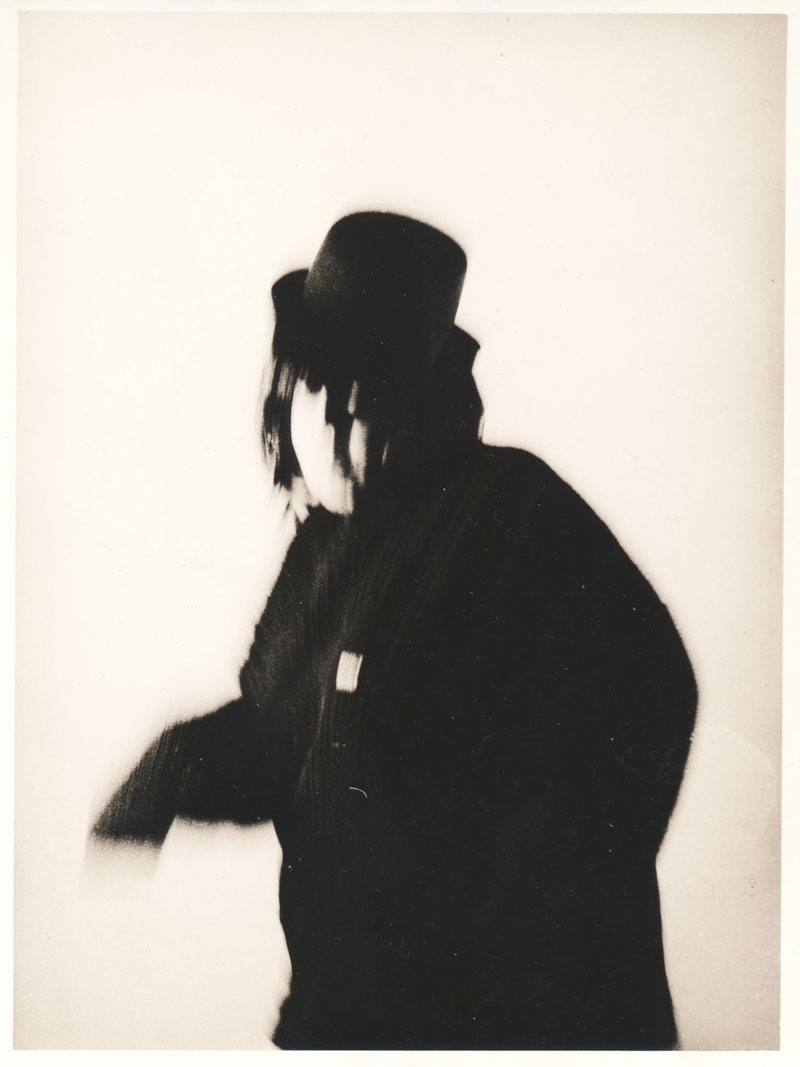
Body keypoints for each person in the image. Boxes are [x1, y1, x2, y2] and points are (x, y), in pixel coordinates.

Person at [91, 211, 697, 1051]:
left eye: (360, 398)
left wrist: (517, 901)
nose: (331, 425)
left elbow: (651, 694)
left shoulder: (515, 513)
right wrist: (167, 772)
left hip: (505, 1019)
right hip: (344, 1009)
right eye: (317, 393)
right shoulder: (325, 547)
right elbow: (280, 738)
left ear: (419, 400)